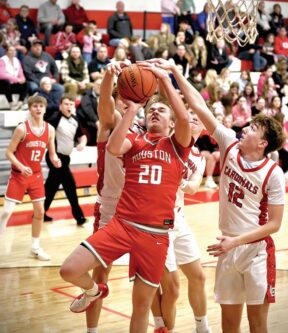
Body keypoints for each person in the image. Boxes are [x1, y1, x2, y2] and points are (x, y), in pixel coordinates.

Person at [148, 57, 286, 333]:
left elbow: (274, 225)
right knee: (229, 326)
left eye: (252, 129)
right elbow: (198, 103)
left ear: (262, 144)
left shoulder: (274, 173)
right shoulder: (229, 146)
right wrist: (174, 70)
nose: (243, 129)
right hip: (227, 247)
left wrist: (236, 241)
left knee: (258, 324)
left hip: (255, 250)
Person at [59, 63, 192, 333]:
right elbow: (114, 145)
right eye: (151, 108)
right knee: (72, 270)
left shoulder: (177, 146)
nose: (154, 110)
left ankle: (162, 326)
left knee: (147, 300)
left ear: (171, 121)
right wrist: (131, 104)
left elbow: (185, 120)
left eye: (161, 109)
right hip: (119, 219)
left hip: (155, 232)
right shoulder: (133, 140)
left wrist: (164, 79)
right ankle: (94, 303)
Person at [84, 61, 138, 333]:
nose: (126, 105)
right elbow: (104, 103)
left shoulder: (139, 129)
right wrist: (108, 76)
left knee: (149, 277)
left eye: (131, 100)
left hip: (140, 211)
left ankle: (161, 324)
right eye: (122, 100)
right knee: (101, 273)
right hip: (110, 210)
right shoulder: (110, 123)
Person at [151, 109, 212, 333]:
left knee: (198, 276)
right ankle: (163, 328)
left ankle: (202, 328)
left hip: (178, 218)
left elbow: (195, 187)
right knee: (169, 288)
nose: (194, 118)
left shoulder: (198, 156)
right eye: (190, 115)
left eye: (199, 117)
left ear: (205, 128)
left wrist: (178, 181)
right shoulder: (166, 142)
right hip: (155, 221)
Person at [0, 96, 61, 260]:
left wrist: (55, 160)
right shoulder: (22, 128)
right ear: (30, 108)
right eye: (35, 106)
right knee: (6, 212)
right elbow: (8, 152)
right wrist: (20, 166)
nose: (38, 109)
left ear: (45, 108)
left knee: (40, 211)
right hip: (19, 175)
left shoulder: (50, 129)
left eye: (41, 106)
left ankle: (35, 247)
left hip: (36, 175)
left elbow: (52, 153)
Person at [44, 95, 87, 225]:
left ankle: (40, 212)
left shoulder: (74, 119)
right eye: (66, 104)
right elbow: (44, 134)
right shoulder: (54, 119)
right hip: (55, 158)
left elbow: (81, 135)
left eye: (71, 104)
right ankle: (79, 217)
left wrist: (82, 143)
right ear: (60, 106)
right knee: (70, 186)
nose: (69, 107)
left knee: (50, 188)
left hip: (65, 159)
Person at [0, 44, 27, 110]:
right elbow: (2, 75)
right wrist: (17, 80)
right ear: (6, 52)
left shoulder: (17, 60)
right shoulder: (2, 60)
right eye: (11, 50)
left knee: (26, 83)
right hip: (3, 85)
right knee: (5, 82)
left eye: (14, 50)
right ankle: (11, 103)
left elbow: (21, 73)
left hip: (13, 84)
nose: (13, 52)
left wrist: (22, 79)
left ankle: (20, 103)